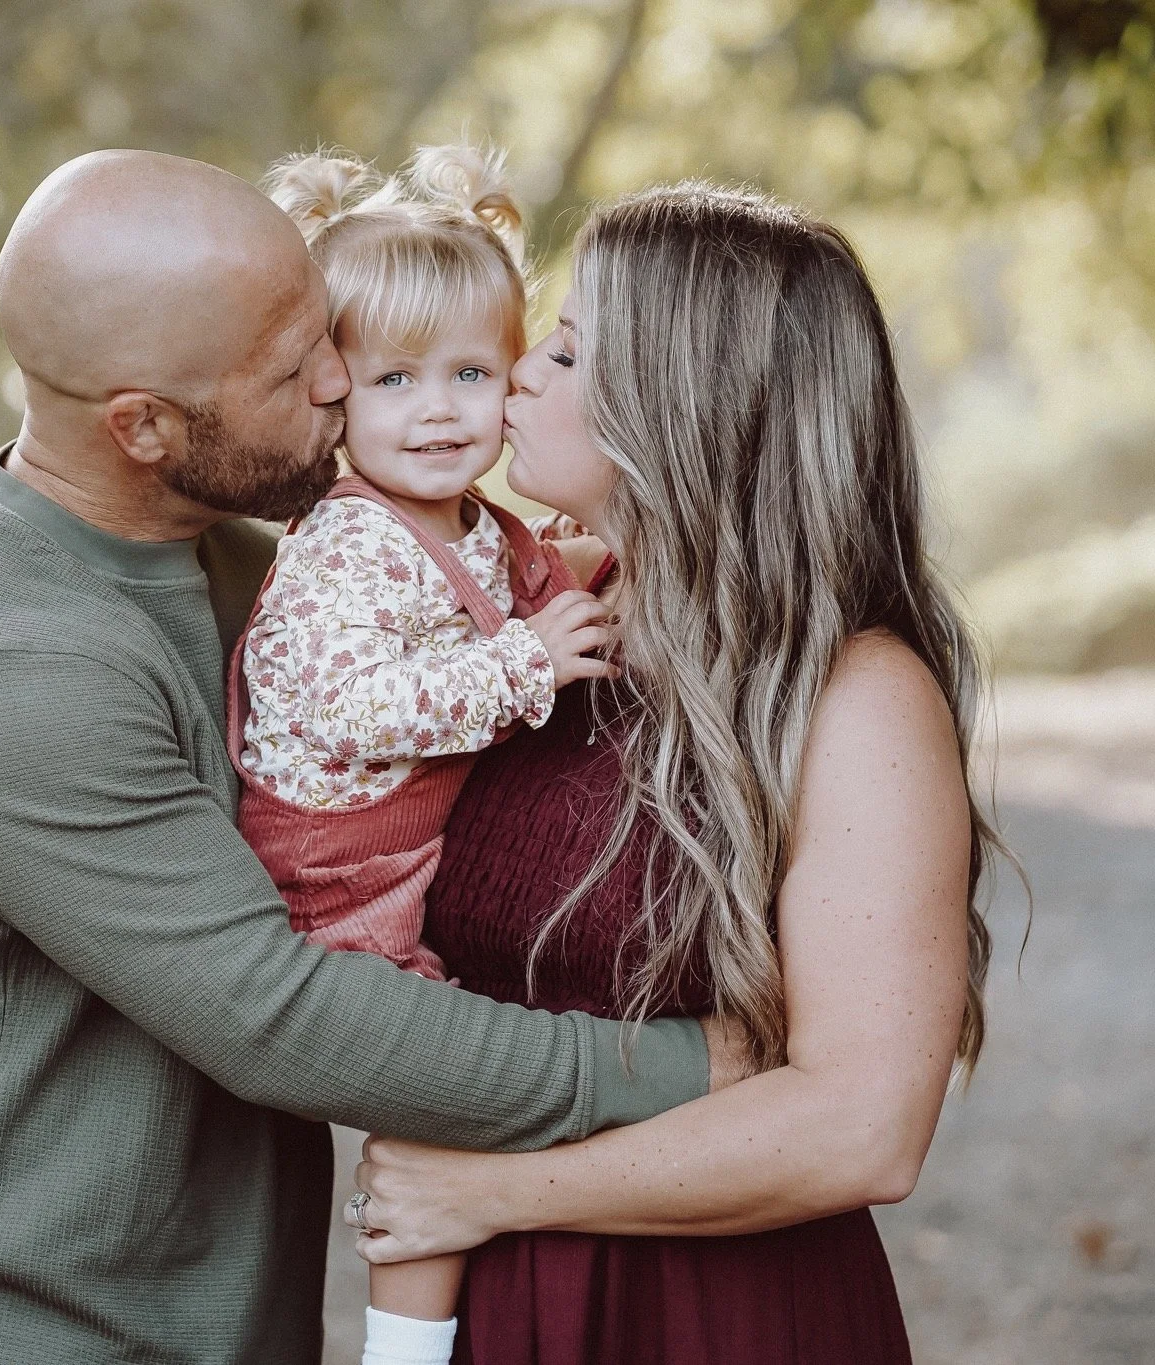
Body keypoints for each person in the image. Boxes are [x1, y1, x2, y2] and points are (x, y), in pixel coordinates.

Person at [0, 151, 742, 1365]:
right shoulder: (0, 662)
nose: (337, 381)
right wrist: (703, 1063)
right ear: (142, 426)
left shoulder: (263, 567)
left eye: (329, 334)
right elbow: (281, 1016)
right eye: (295, 369)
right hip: (29, 1337)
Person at [349, 183, 1002, 1363]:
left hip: (709, 1314)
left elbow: (863, 1128)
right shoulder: (530, 620)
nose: (520, 375)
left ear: (680, 401)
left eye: (566, 348)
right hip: (495, 1304)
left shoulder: (855, 702)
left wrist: (496, 1196)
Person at [232, 144, 614, 1365]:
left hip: (405, 863)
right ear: (336, 392)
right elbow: (356, 708)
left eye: (470, 372)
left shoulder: (469, 526)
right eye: (396, 379)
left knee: (471, 1105)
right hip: (336, 885)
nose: (440, 409)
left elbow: (537, 588)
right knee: (456, 1109)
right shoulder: (346, 546)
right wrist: (524, 666)